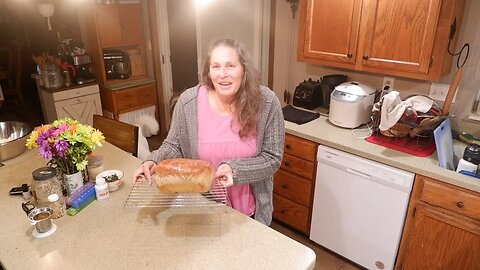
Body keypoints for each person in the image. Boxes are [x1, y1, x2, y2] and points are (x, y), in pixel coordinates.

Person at [133, 38, 285, 225]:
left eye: (230, 66)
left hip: (249, 213)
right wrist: (154, 160)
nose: (222, 74)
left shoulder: (266, 103)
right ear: (208, 71)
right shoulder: (189, 102)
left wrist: (235, 170)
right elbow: (174, 144)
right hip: (202, 207)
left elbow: (272, 158)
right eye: (216, 66)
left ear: (244, 70)